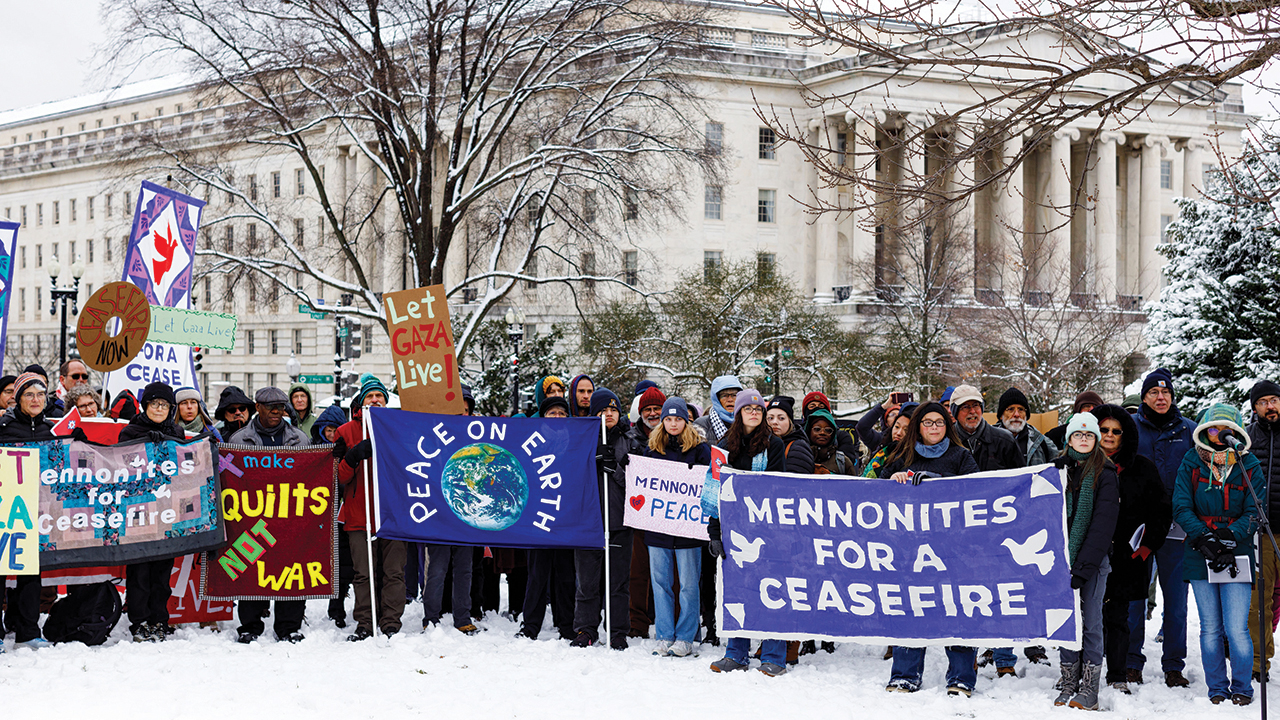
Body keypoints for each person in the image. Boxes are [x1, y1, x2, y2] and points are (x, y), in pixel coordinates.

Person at [879, 402, 980, 695]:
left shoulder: (961, 456)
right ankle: (904, 674)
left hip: (953, 549)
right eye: (927, 422)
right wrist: (892, 481)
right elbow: (875, 494)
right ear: (917, 427)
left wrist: (938, 484)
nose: (934, 427)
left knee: (957, 609)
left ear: (947, 427)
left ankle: (961, 677)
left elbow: (975, 491)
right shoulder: (901, 455)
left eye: (939, 422)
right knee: (911, 609)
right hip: (911, 551)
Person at [1173, 402, 1263, 705]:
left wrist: (1229, 537)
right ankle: (1217, 689)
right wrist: (1205, 538)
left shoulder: (1247, 464)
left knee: (1237, 627)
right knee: (1210, 627)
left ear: (1236, 432)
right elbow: (1181, 506)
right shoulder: (1191, 461)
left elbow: (1254, 510)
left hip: (1236, 550)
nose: (1219, 434)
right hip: (1201, 549)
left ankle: (1242, 687)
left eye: (1226, 429)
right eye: (1213, 429)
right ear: (1204, 432)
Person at [708, 389, 789, 676]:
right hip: (733, 529)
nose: (754, 413)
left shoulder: (774, 445)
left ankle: (774, 655)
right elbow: (714, 491)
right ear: (738, 413)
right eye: (748, 409)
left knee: (772, 590)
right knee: (738, 591)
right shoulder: (722, 445)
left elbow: (775, 486)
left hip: (767, 529)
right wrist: (714, 532)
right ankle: (736, 653)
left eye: (758, 409)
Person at [1090, 404, 1169, 695]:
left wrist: (1146, 547)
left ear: (1126, 435)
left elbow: (1161, 512)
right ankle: (1086, 672)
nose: (1109, 435)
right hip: (1088, 556)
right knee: (1088, 616)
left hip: (1126, 557)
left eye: (1116, 431)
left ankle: (1117, 675)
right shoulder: (1080, 465)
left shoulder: (1143, 468)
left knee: (1118, 618)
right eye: (1104, 430)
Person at [1129, 367, 1196, 688]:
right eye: (1154, 392)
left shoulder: (1189, 431)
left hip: (1176, 530)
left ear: (1172, 396)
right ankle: (1131, 661)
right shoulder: (1131, 429)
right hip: (1138, 529)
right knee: (1134, 599)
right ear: (1144, 397)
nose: (1160, 397)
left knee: (1176, 602)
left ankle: (1173, 664)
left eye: (1165, 392)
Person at [228, 387, 311, 643]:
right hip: (253, 517)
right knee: (252, 567)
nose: (277, 411)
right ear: (257, 407)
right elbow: (231, 478)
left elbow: (310, 476)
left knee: (291, 569)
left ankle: (289, 626)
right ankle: (250, 626)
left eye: (281, 407)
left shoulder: (299, 439)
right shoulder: (239, 439)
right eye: (270, 406)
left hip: (289, 516)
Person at [1049, 413, 1120, 710]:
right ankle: (1068, 680)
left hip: (1093, 561)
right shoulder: (1057, 470)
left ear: (1096, 439)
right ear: (1068, 439)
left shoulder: (1105, 473)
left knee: (1091, 622)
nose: (1083, 440)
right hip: (1061, 560)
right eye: (1078, 435)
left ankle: (1090, 687)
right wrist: (1054, 475)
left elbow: (1103, 525)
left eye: (1089, 435)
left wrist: (1084, 567)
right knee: (1067, 621)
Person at [334, 374, 407, 640]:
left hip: (393, 514)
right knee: (363, 574)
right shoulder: (346, 432)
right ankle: (365, 621)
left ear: (386, 402)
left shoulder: (400, 428)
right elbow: (338, 478)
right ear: (361, 402)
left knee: (394, 572)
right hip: (359, 515)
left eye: (380, 397)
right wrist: (352, 458)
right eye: (370, 396)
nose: (375, 400)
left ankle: (391, 622)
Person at [117, 381, 187, 642]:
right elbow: (120, 464)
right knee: (140, 573)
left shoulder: (176, 432)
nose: (159, 408)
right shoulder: (130, 431)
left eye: (164, 405)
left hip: (166, 511)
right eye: (154, 404)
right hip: (138, 512)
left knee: (162, 572)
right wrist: (146, 444)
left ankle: (159, 618)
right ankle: (139, 620)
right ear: (145, 405)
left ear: (170, 408)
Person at [644, 397, 710, 657]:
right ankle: (664, 634)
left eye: (678, 419)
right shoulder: (652, 448)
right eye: (668, 419)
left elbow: (709, 482)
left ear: (686, 420)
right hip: (659, 527)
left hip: (688, 527)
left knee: (689, 584)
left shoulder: (700, 449)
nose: (673, 424)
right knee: (660, 582)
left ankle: (685, 636)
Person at [571, 388, 634, 650]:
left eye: (613, 409)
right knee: (586, 581)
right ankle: (586, 628)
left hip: (619, 520)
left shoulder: (629, 440)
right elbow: (571, 475)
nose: (609, 414)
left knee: (617, 581)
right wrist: (592, 461)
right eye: (603, 410)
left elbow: (638, 483)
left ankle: (618, 630)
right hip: (589, 521)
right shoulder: (582, 438)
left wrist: (615, 469)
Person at [0, 371, 58, 650]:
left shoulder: (50, 431)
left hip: (35, 512)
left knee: (30, 574)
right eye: (29, 394)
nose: (35, 400)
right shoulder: (4, 427)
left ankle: (28, 631)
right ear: (18, 399)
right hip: (6, 511)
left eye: (40, 394)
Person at [517, 395, 578, 641]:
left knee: (565, 574)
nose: (557, 417)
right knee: (537, 574)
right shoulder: (533, 442)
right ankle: (530, 625)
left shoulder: (575, 441)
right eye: (552, 413)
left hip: (566, 516)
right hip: (538, 517)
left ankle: (566, 625)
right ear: (543, 417)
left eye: (562, 414)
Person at [627, 385, 667, 638]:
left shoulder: (676, 435)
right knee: (637, 573)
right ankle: (636, 624)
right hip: (639, 515)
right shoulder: (630, 439)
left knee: (669, 575)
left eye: (657, 409)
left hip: (669, 516)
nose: (652, 413)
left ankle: (671, 622)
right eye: (648, 409)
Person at [1248, 379, 1280, 682]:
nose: (1270, 406)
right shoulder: (1246, 439)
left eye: (1274, 400)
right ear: (1255, 407)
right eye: (1263, 402)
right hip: (1264, 530)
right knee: (1261, 601)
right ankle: (1259, 665)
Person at [311, 403, 354, 628]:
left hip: (343, 514)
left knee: (344, 564)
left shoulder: (348, 450)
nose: (331, 435)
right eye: (327, 430)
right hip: (318, 516)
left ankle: (336, 607)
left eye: (335, 430)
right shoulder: (313, 452)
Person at [996, 387, 1058, 467]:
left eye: (1021, 409)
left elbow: (1060, 461)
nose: (1016, 415)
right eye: (1011, 409)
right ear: (1001, 415)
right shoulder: (987, 441)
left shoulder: (1040, 442)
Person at [800, 390, 859, 460]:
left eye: (821, 406)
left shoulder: (841, 437)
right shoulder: (798, 436)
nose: (817, 409)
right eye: (812, 406)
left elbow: (847, 464)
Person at [862, 402, 916, 478]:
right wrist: (883, 407)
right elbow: (861, 427)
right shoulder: (882, 444)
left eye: (906, 430)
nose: (899, 433)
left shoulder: (912, 456)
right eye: (897, 427)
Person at [766, 396, 815, 473]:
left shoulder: (798, 447)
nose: (774, 422)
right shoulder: (761, 443)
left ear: (790, 422)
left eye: (781, 418)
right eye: (770, 418)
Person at [694, 375, 743, 444]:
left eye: (734, 395)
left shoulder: (748, 422)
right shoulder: (701, 425)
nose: (730, 399)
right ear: (717, 399)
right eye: (724, 395)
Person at [806, 408, 852, 475]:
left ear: (833, 434)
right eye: (817, 429)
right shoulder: (800, 457)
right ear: (809, 431)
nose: (822, 432)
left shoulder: (842, 461)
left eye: (828, 430)